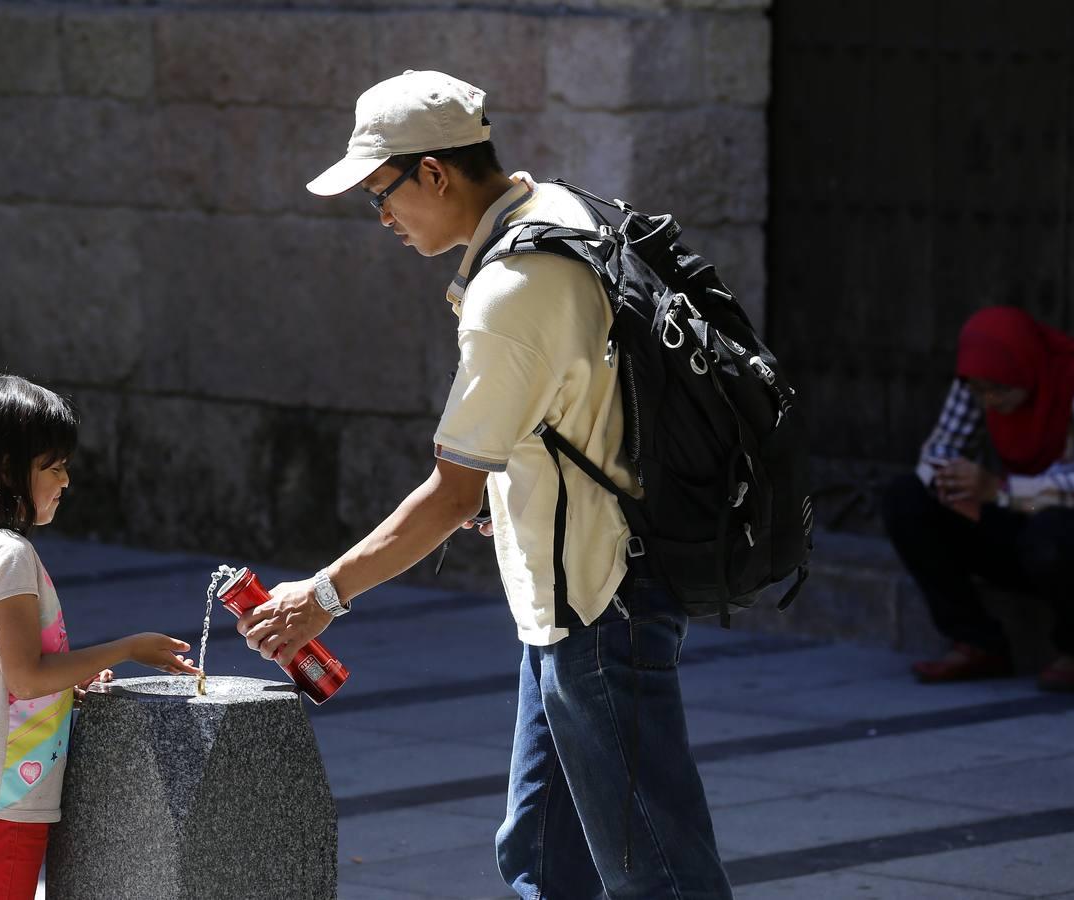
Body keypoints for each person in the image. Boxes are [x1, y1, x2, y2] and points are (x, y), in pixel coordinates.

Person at [235, 70, 733, 898]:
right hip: (578, 597)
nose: (382, 217)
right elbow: (578, 404)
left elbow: (450, 493)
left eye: (381, 193)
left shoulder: (511, 288)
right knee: (542, 857)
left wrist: (321, 595)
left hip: (597, 603)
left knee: (659, 875)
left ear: (434, 172)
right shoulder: (563, 211)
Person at [0, 374, 200, 899]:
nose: (66, 480)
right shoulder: (10, 555)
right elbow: (25, 678)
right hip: (2, 793)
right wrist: (128, 647)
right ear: (7, 470)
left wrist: (66, 682)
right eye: (53, 467)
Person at [883, 306, 1074, 691]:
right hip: (1029, 517)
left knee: (1052, 532)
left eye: (999, 390)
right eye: (981, 391)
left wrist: (999, 491)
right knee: (908, 498)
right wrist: (949, 480)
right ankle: (976, 641)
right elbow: (939, 450)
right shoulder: (979, 382)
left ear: (1025, 366)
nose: (989, 401)